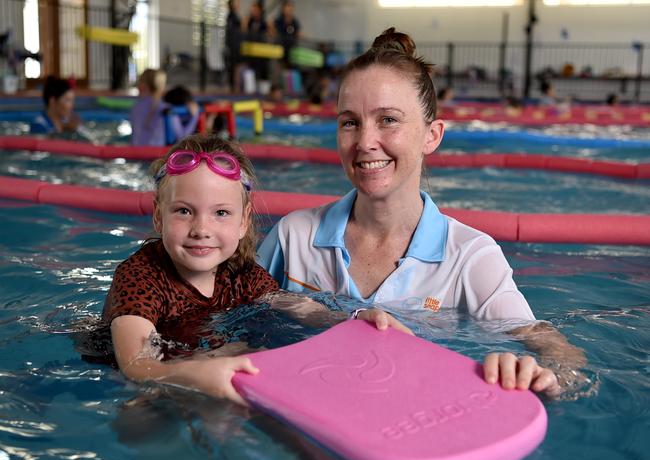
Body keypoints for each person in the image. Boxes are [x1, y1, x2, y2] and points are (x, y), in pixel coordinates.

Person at [258, 27, 587, 398]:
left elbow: (548, 344)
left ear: (432, 135)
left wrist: (544, 374)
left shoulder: (468, 256)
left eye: (388, 120)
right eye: (350, 122)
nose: (365, 142)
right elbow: (228, 312)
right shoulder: (294, 236)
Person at [104, 134, 410, 406]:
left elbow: (298, 307)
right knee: (138, 418)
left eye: (221, 213)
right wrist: (195, 374)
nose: (201, 229)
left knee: (252, 361)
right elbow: (136, 366)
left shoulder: (241, 273)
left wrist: (354, 320)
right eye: (184, 211)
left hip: (205, 358)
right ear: (158, 216)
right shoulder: (140, 275)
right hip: (128, 380)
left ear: (243, 221)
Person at [130, 69, 199, 146]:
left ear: (143, 85)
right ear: (162, 86)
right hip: (157, 156)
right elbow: (182, 138)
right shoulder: (166, 109)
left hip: (135, 154)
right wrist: (195, 116)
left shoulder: (135, 107)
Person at [272, 0, 301, 67]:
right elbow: (273, 32)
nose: (289, 9)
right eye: (287, 7)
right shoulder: (278, 21)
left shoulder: (295, 22)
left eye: (290, 7)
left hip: (291, 52)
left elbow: (298, 34)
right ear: (283, 9)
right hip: (279, 51)